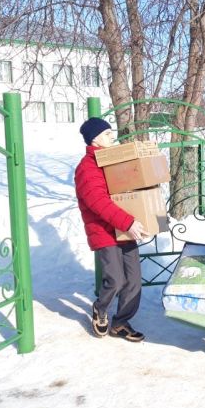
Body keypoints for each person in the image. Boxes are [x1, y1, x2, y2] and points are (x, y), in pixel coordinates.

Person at [74, 117, 149, 342]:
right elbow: (98, 202)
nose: (112, 137)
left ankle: (121, 322)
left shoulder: (113, 162)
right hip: (105, 231)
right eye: (107, 134)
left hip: (124, 229)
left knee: (134, 280)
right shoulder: (86, 168)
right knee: (116, 279)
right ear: (95, 139)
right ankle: (100, 308)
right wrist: (128, 222)